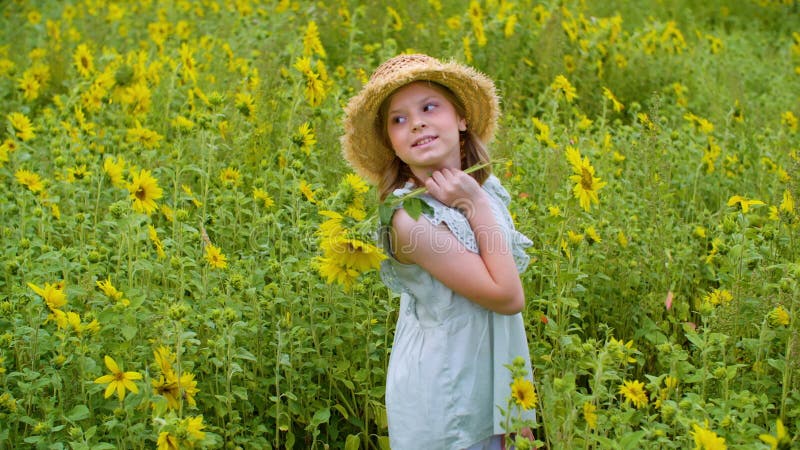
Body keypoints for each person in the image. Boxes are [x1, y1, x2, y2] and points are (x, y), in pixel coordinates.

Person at [341, 54, 536, 450]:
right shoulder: (411, 222)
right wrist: (475, 206)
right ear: (392, 144)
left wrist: (519, 413)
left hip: (494, 383)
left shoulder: (484, 188)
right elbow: (507, 297)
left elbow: (503, 323)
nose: (416, 123)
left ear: (462, 119)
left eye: (429, 107)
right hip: (446, 395)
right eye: (398, 119)